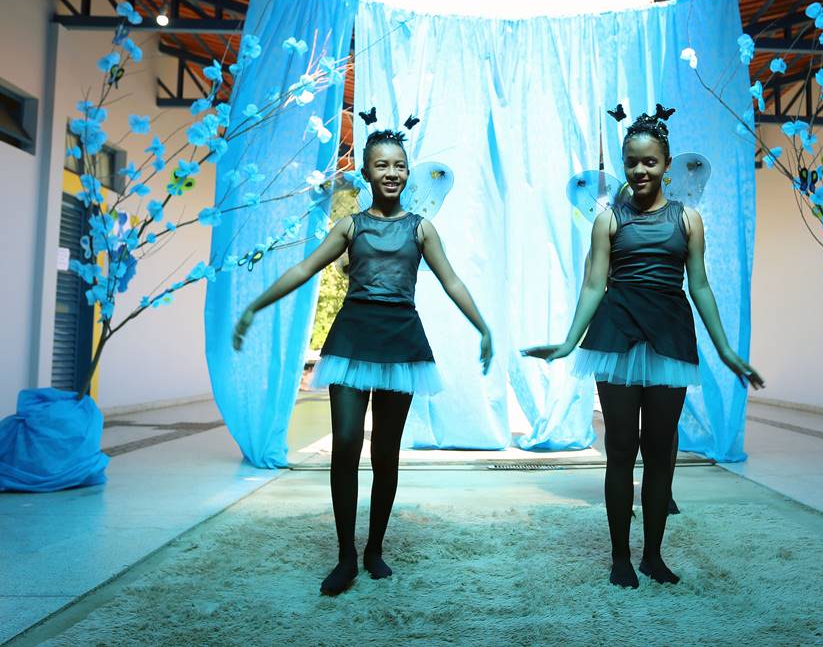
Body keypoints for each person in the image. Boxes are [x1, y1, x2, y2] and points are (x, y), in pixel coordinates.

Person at [232, 128, 493, 596]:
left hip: (401, 344)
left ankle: (374, 549)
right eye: (382, 165)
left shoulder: (421, 228)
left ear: (407, 172)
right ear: (368, 173)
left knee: (386, 452)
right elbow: (304, 268)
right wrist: (255, 306)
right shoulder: (350, 226)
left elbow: (451, 281)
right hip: (352, 340)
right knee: (347, 443)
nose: (392, 172)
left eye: (399, 165)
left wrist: (483, 327)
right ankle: (345, 555)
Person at [523, 110, 764, 589]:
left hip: (669, 336)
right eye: (632, 162)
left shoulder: (688, 219)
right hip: (615, 336)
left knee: (659, 452)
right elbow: (593, 285)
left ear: (666, 164)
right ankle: (620, 558)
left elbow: (700, 286)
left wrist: (725, 348)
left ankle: (653, 555)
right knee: (619, 450)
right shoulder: (608, 219)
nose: (640, 171)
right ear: (624, 163)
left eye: (650, 162)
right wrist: (569, 342)